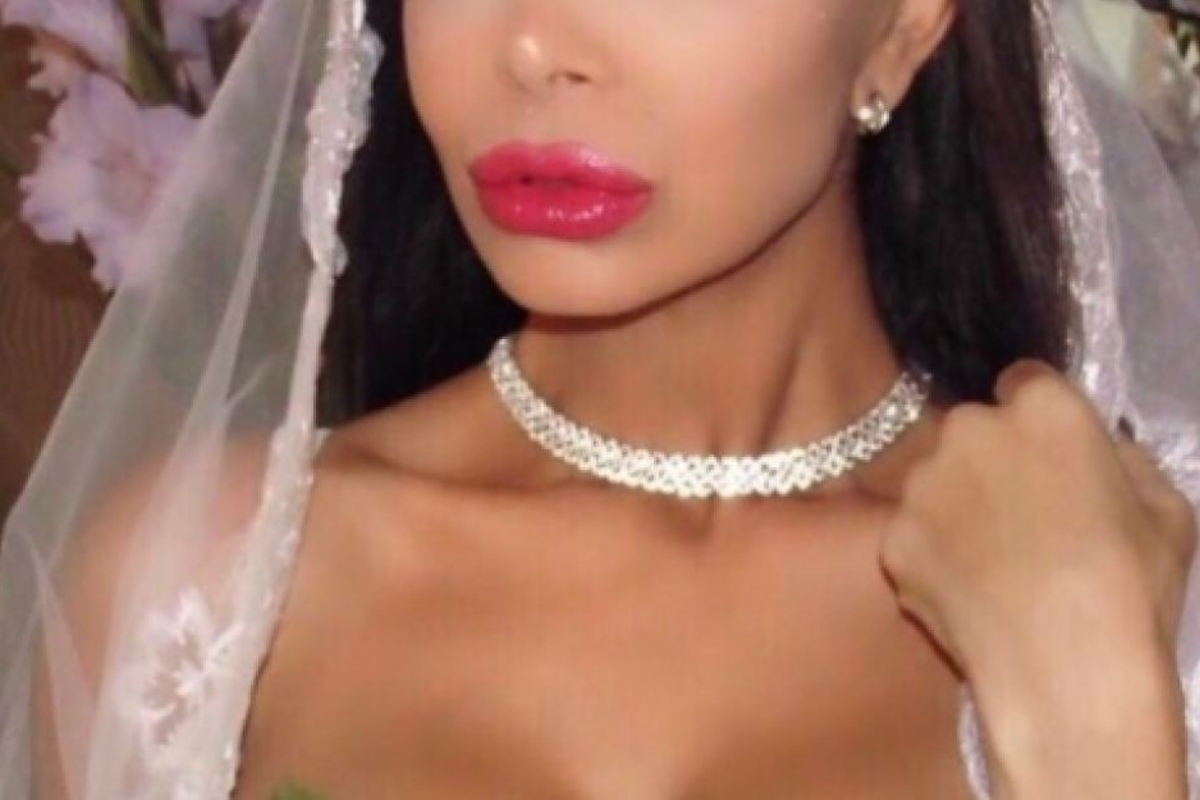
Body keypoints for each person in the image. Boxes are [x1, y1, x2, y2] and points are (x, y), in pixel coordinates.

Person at [1, 0, 1199, 798]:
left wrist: (1103, 732)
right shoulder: (196, 590)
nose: (535, 44)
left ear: (903, 24)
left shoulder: (1129, 596)